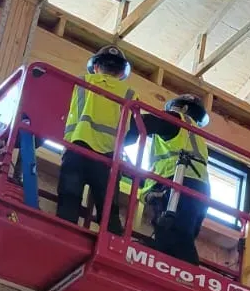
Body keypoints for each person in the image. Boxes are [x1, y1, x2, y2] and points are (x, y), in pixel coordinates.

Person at [58, 45, 135, 234]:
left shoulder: (82, 81)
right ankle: (113, 249)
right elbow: (133, 132)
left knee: (69, 199)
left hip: (78, 148)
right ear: (120, 72)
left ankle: (64, 235)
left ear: (96, 66)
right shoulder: (130, 94)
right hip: (109, 159)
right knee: (109, 213)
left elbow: (63, 113)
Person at [141, 94, 210, 265]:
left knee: (176, 235)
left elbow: (144, 123)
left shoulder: (177, 119)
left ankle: (190, 281)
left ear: (184, 108)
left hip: (179, 181)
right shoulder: (195, 134)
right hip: (198, 189)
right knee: (177, 236)